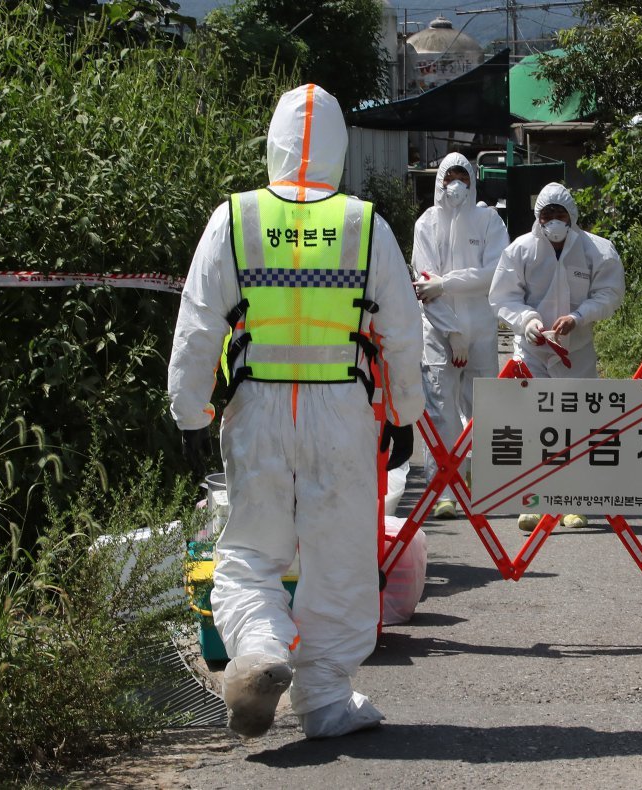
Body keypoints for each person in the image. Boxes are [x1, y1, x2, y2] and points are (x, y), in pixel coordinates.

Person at [167, 84, 423, 739]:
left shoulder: (236, 218)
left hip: (257, 411)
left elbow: (198, 323)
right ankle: (325, 703)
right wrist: (403, 414)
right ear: (338, 148)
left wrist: (191, 413)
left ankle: (256, 651)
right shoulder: (365, 226)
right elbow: (400, 332)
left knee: (252, 552)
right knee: (338, 559)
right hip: (342, 410)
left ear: (273, 144)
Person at [489, 182, 625, 531]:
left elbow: (609, 294)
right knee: (533, 427)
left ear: (572, 217)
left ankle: (573, 502)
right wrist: (528, 320)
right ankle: (533, 501)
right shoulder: (521, 251)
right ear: (538, 218)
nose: (553, 221)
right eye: (546, 215)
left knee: (576, 427)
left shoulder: (598, 251)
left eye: (559, 215)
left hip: (575, 352)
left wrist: (578, 317)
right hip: (532, 351)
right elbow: (503, 297)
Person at [412, 153, 510, 519]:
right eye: (449, 176)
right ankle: (444, 490)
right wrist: (453, 333)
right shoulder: (427, 224)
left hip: (482, 332)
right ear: (439, 181)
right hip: (439, 334)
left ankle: (482, 482)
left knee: (483, 410)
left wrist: (447, 283)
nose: (456, 184)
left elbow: (494, 272)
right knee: (442, 412)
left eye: (462, 177)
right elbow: (425, 287)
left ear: (472, 181)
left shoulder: (488, 221)